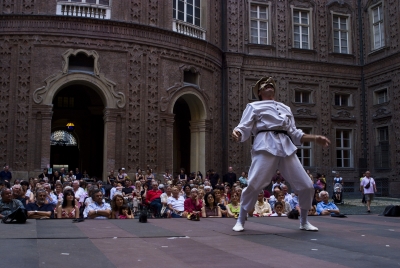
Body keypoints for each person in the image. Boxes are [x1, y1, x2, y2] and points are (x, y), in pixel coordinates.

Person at [231, 76, 330, 232]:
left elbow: (294, 132)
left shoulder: (285, 108)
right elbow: (244, 126)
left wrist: (315, 138)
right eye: (265, 85)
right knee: (254, 184)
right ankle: (241, 219)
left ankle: (304, 221)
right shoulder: (254, 106)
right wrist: (237, 132)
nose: (269, 86)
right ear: (259, 91)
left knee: (306, 185)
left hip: (286, 146)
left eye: (271, 85)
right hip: (265, 144)